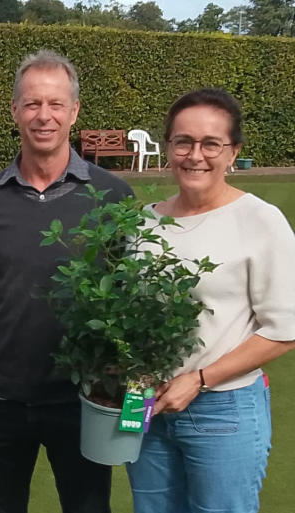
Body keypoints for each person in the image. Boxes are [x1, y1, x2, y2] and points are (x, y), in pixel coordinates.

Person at [0, 50, 133, 513]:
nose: (44, 116)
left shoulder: (113, 195)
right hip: (0, 397)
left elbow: (123, 294)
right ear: (15, 109)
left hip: (82, 398)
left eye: (56, 104)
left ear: (74, 111)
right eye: (33, 103)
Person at [124, 89, 295, 513]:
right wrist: (129, 385)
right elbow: (125, 314)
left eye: (210, 143)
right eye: (183, 141)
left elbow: (285, 329)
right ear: (168, 148)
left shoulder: (260, 221)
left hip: (222, 409)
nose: (195, 155)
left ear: (233, 152)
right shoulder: (144, 222)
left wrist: (200, 379)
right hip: (145, 401)